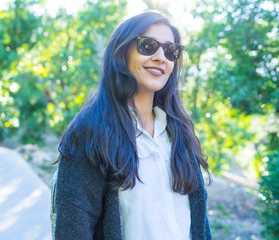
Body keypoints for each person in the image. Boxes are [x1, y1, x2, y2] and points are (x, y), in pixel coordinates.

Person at [51, 11, 212, 240]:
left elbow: (198, 223)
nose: (160, 57)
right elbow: (73, 229)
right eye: (147, 45)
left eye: (170, 50)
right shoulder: (90, 130)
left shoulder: (179, 131)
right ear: (122, 51)